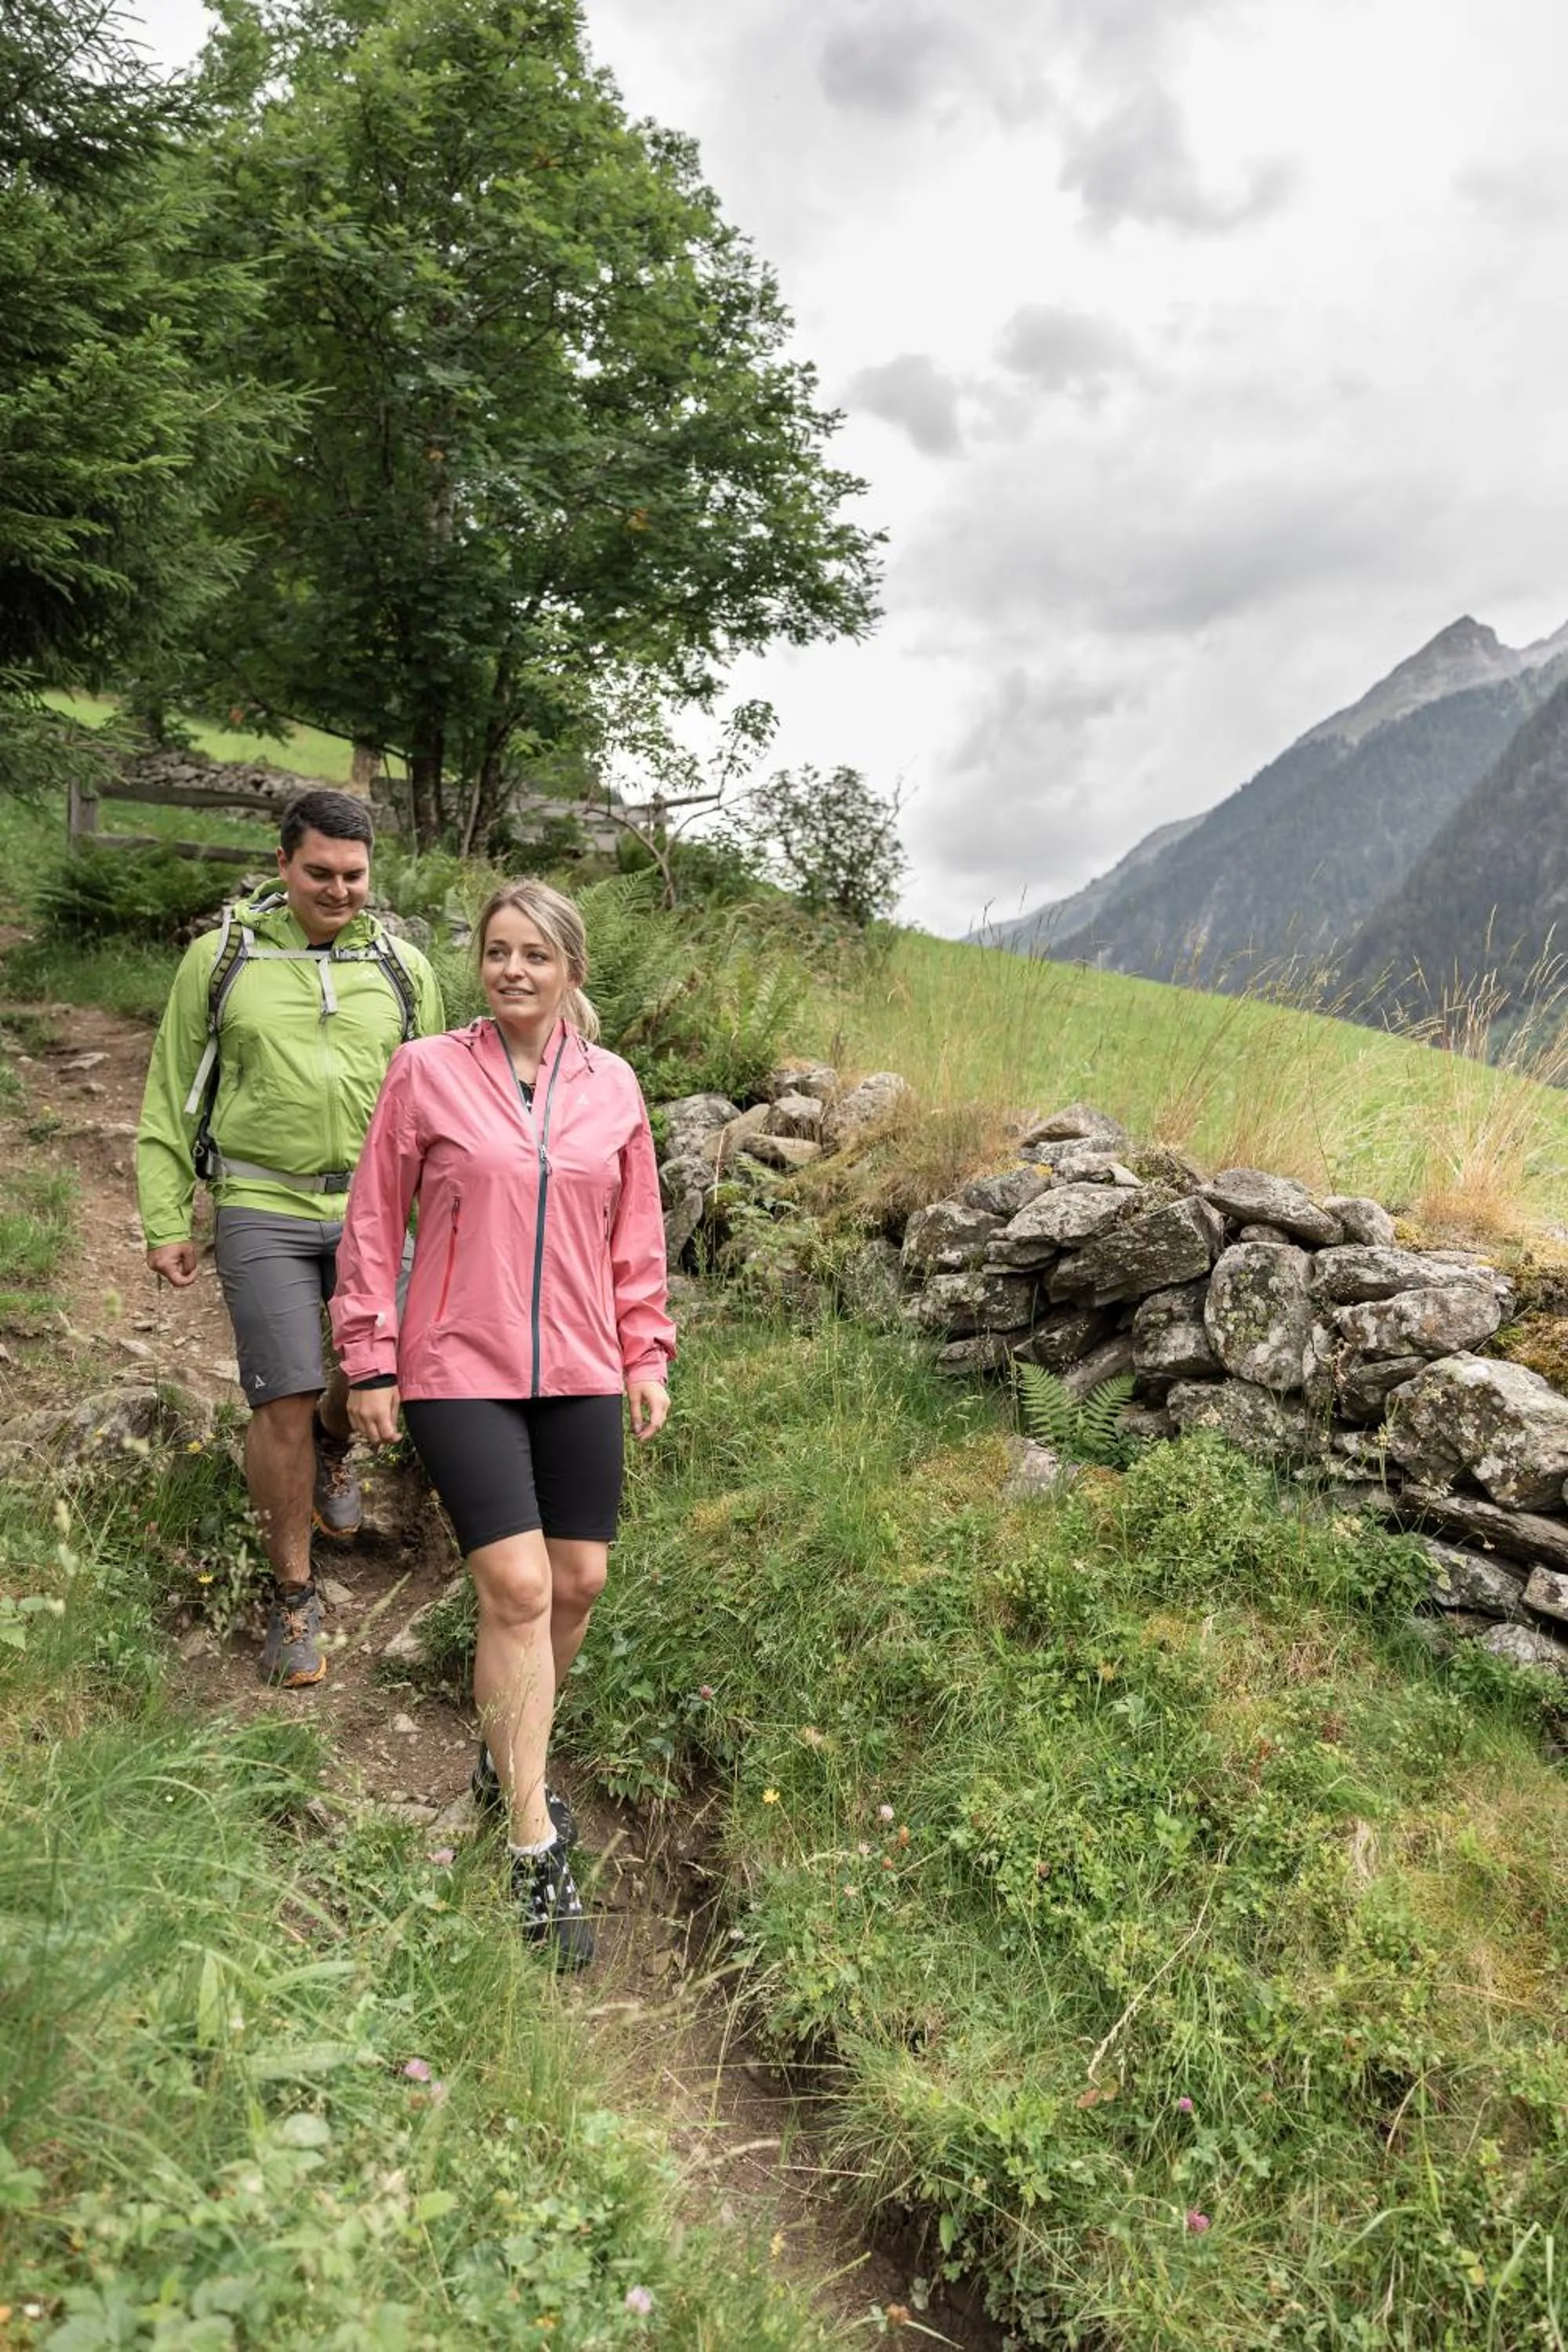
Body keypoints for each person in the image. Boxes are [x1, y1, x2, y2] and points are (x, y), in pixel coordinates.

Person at [329, 880, 673, 1969]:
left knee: (577, 1582)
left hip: (579, 1364)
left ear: (570, 968)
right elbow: (375, 1221)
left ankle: (500, 1760)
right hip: (455, 1365)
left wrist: (645, 1350)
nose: (513, 970)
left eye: (535, 954)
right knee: (517, 1589)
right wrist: (369, 1357)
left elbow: (637, 1235)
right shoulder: (426, 1072)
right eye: (497, 952)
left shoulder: (613, 1087)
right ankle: (532, 1839)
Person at [136, 788, 445, 1687]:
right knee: (278, 1397)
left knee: (371, 1377)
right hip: (259, 1204)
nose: (339, 890)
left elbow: (441, 1106)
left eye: (354, 875)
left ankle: (334, 1442)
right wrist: (167, 1219)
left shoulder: (403, 967)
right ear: (283, 864)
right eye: (320, 872)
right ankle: (292, 1594)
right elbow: (170, 1095)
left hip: (374, 1210)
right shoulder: (221, 957)